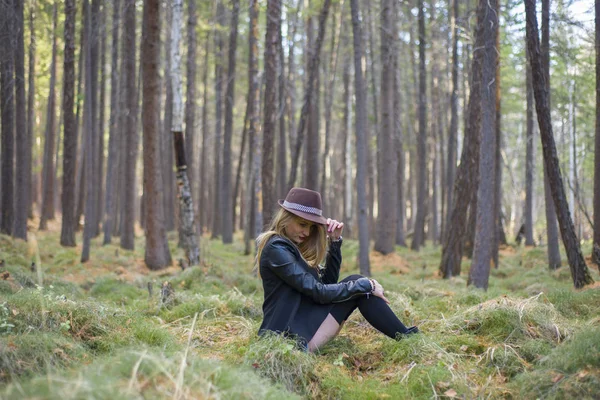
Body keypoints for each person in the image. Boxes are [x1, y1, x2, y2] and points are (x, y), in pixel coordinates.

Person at [256, 187, 418, 352]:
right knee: (358, 284)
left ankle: (408, 339)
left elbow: (327, 285)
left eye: (311, 227)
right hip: (289, 339)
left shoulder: (289, 248)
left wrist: (334, 242)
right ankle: (409, 340)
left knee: (355, 282)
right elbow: (318, 292)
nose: (306, 232)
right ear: (285, 218)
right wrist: (366, 285)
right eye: (302, 224)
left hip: (302, 327)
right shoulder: (276, 249)